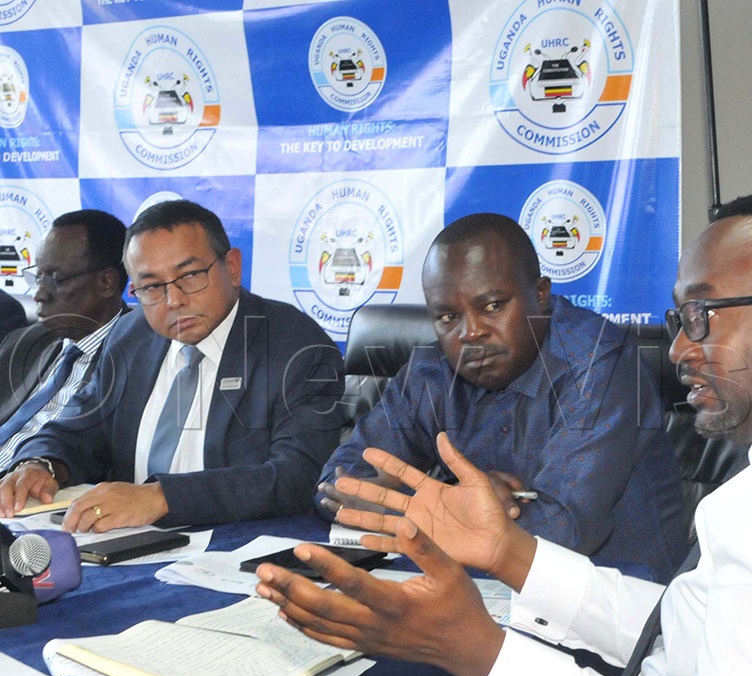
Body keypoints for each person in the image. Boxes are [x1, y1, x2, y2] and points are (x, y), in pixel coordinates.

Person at [255, 191, 752, 676]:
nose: (680, 348)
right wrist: (512, 550)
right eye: (679, 317)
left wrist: (478, 651)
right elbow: (686, 626)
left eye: (703, 314)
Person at [320, 212, 687, 582]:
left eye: (493, 306)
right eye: (448, 317)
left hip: (616, 596)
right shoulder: (431, 371)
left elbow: (559, 531)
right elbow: (335, 483)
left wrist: (415, 508)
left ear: (541, 295)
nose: (471, 333)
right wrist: (455, 501)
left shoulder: (598, 364)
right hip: (478, 587)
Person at [0, 200, 345, 531]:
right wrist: (41, 464)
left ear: (233, 267)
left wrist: (161, 498)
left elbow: (299, 476)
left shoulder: (297, 347)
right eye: (151, 287)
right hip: (119, 543)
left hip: (232, 551)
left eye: (191, 275)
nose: (174, 300)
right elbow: (75, 430)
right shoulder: (130, 336)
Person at [0, 210, 130, 465]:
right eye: (38, 277)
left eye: (55, 279)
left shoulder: (138, 359)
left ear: (106, 282)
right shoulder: (22, 342)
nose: (39, 294)